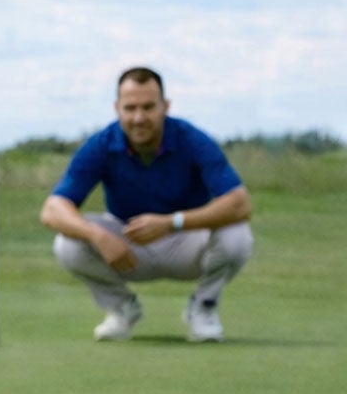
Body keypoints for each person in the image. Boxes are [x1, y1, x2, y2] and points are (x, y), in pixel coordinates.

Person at [40, 67, 253, 342]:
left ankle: (203, 308)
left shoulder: (191, 139)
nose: (139, 118)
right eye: (130, 108)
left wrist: (171, 222)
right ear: (117, 109)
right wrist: (97, 235)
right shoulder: (102, 144)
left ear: (165, 106)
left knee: (237, 234)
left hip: (186, 241)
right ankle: (122, 308)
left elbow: (239, 204)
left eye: (148, 107)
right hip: (128, 245)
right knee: (67, 243)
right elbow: (53, 209)